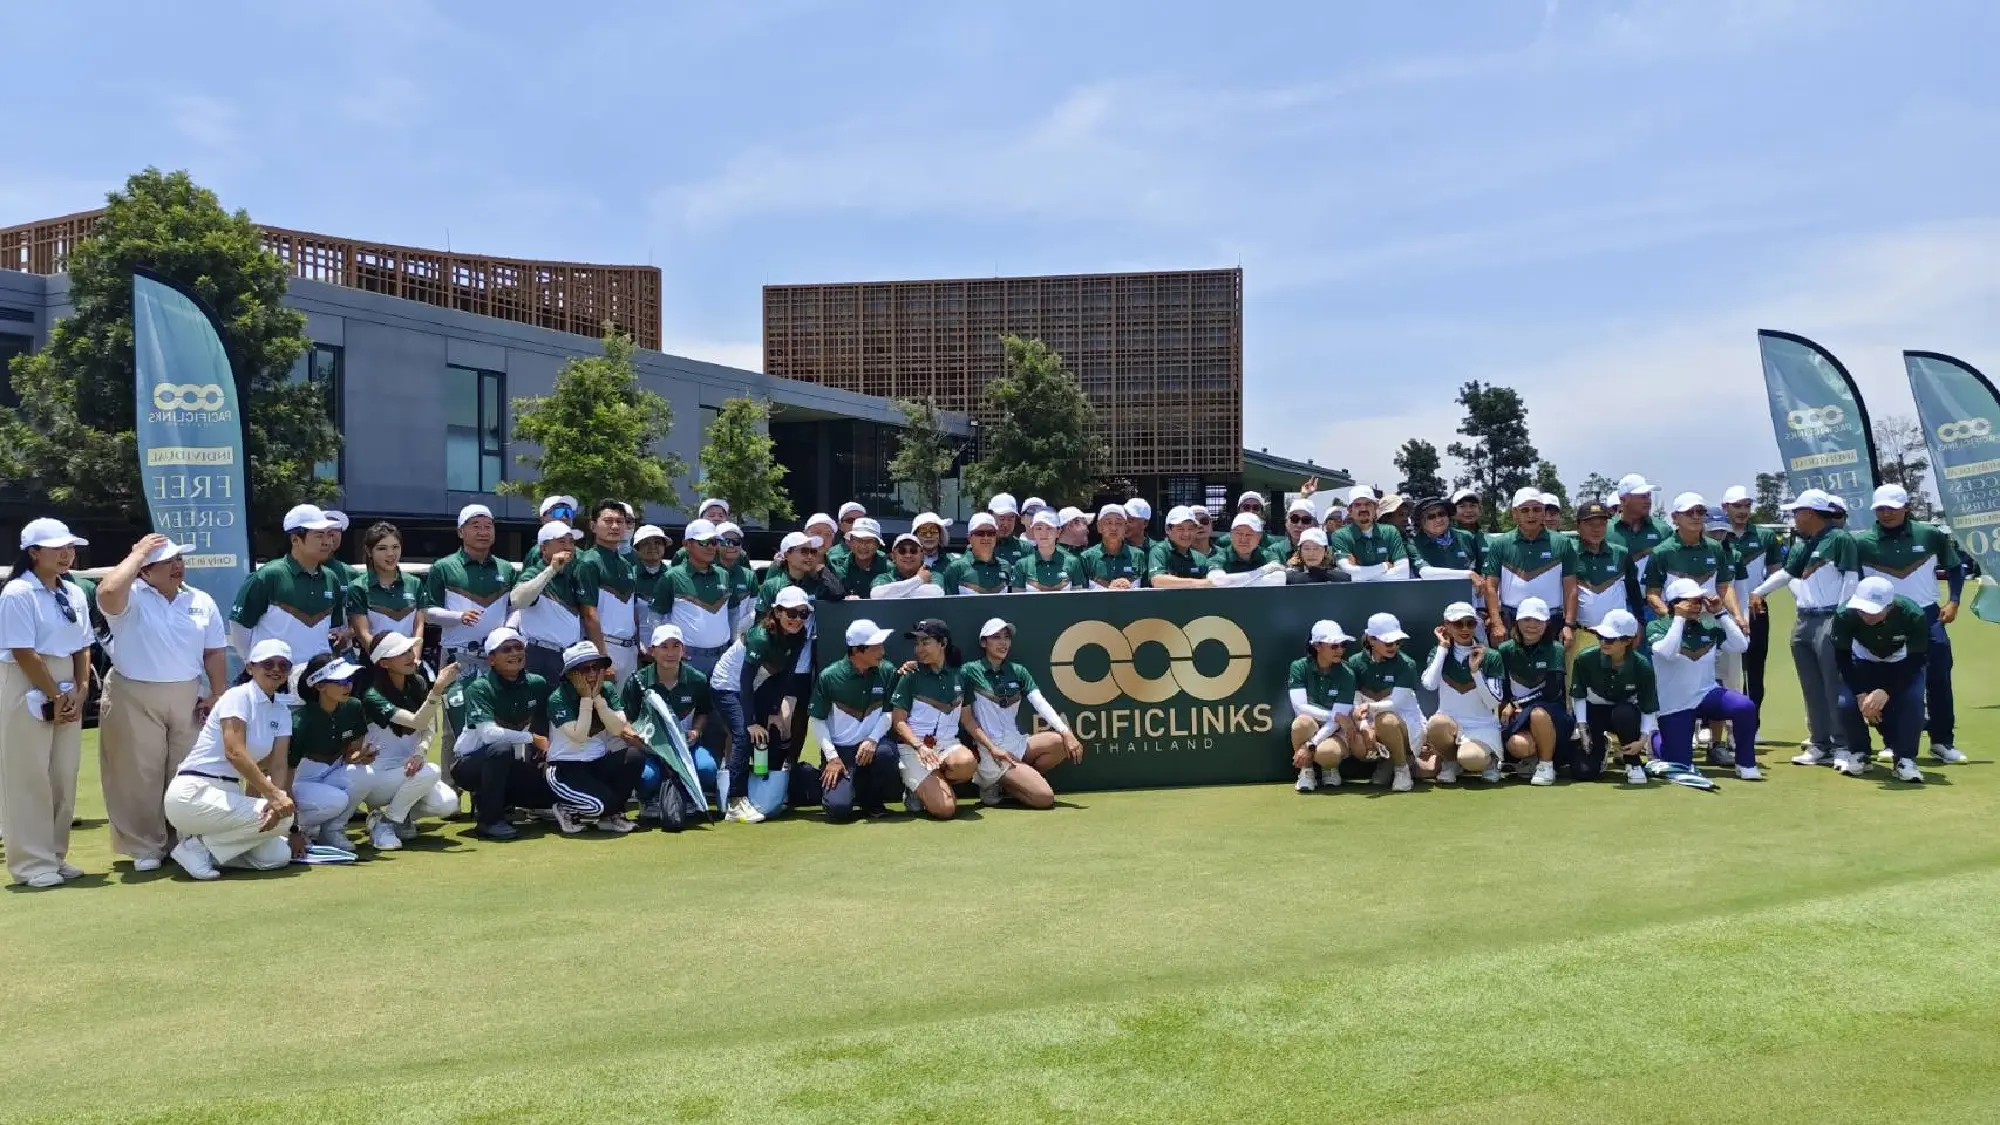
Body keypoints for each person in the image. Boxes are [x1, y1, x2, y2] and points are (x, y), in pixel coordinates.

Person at [93, 533, 228, 871]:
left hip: (187, 693)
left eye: (178, 560)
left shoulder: (200, 599)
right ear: (145, 570)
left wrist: (218, 692)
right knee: (138, 773)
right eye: (167, 562)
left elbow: (213, 651)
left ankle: (187, 840)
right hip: (133, 692)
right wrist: (137, 552)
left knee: (186, 769)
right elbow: (107, 593)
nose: (177, 566)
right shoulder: (129, 596)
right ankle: (145, 846)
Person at [1, 518, 95, 887]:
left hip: (67, 684)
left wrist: (82, 688)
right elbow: (24, 652)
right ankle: (30, 863)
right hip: (28, 681)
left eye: (69, 547)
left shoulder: (72, 592)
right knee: (28, 776)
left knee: (62, 774)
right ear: (33, 553)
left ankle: (55, 855)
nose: (66, 554)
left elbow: (82, 644)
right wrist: (56, 695)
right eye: (57, 548)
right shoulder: (17, 594)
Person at [161, 639, 298, 880]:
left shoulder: (282, 711)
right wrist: (274, 797)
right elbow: (234, 752)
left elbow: (278, 764)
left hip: (228, 798)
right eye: (268, 663)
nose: (276, 669)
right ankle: (196, 848)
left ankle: (206, 848)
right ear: (250, 667)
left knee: (276, 856)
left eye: (283, 665)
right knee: (285, 819)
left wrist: (275, 799)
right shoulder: (237, 696)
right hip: (193, 795)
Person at [1750, 489, 1861, 768]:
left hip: (1830, 617)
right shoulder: (1803, 544)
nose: (1794, 518)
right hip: (1804, 619)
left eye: (1797, 512)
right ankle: (1819, 743)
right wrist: (1759, 592)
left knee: (1832, 683)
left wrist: (1843, 614)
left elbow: (1850, 579)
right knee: (1811, 684)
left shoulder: (1840, 539)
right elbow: (1787, 574)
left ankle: (1842, 745)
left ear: (1810, 513)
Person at [1856, 483, 1964, 763]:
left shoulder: (1930, 534)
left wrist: (1953, 600)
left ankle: (1942, 741)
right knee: (1888, 681)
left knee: (1939, 678)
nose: (1886, 513)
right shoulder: (1863, 542)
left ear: (1906, 507)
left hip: (1928, 616)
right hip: (1883, 620)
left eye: (1892, 508)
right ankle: (1893, 741)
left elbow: (1954, 567)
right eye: (1881, 508)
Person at [711, 586, 814, 822]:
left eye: (803, 614)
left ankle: (768, 796)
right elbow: (744, 682)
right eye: (791, 613)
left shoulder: (800, 635)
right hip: (727, 685)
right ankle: (735, 801)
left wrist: (775, 711)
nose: (797, 619)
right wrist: (751, 722)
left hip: (759, 684)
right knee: (744, 735)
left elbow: (784, 676)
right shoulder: (759, 636)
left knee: (773, 732)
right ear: (777, 612)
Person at [445, 628, 558, 841]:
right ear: (491, 659)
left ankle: (505, 804)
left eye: (519, 647)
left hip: (509, 764)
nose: (515, 653)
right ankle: (489, 821)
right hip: (469, 765)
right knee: (500, 749)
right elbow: (489, 735)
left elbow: (544, 723)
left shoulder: (537, 683)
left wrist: (545, 755)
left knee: (550, 795)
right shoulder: (479, 687)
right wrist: (532, 739)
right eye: (506, 649)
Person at [353, 632, 461, 849]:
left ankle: (396, 817)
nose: (410, 656)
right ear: (384, 663)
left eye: (410, 650)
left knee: (448, 803)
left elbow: (429, 727)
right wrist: (438, 689)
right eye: (401, 653)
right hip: (377, 780)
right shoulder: (372, 696)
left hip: (410, 771)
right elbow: (418, 722)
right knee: (430, 771)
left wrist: (420, 752)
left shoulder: (418, 682)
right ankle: (386, 822)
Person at [958, 618, 1082, 807]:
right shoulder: (969, 671)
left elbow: (1040, 703)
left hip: (1019, 744)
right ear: (983, 642)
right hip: (993, 752)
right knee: (1045, 798)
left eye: (1007, 637)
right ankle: (993, 781)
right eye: (996, 637)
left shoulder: (1018, 671)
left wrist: (1067, 733)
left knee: (1060, 742)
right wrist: (993, 749)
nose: (1003, 642)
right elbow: (967, 721)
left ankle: (1012, 783)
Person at [1647, 578, 1757, 779]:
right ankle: (1655, 739)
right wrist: (1679, 618)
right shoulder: (1656, 626)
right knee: (1678, 764)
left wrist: (1721, 613)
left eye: (1699, 601)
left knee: (1745, 707)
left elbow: (1741, 646)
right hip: (1674, 703)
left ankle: (1746, 763)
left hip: (1707, 694)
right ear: (1675, 603)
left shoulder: (1708, 626)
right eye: (1691, 601)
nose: (1697, 606)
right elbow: (1668, 652)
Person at [1831, 576, 1931, 783]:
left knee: (1912, 702)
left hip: (1902, 665)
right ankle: (1859, 752)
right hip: (1862, 663)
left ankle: (1905, 758)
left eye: (1873, 611)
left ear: (1890, 606)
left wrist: (1886, 691)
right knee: (1845, 704)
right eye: (1862, 610)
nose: (1866, 615)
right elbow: (1841, 655)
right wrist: (1860, 694)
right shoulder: (1844, 614)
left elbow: (1917, 658)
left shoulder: (1913, 615)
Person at [230, 504, 348, 675]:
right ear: (295, 539)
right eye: (319, 535)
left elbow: (333, 630)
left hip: (319, 680)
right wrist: (256, 664)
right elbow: (239, 624)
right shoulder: (269, 575)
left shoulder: (331, 578)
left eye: (329, 535)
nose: (327, 542)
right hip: (275, 679)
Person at [543, 640, 646, 833]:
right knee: (600, 806)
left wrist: (598, 698)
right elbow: (579, 735)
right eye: (584, 669)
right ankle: (566, 807)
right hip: (565, 767)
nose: (592, 674)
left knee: (634, 756)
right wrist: (586, 698)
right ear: (570, 674)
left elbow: (617, 728)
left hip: (597, 762)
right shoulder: (558, 698)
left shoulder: (607, 690)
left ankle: (610, 817)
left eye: (596, 667)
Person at [806, 619, 901, 821]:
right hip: (839, 753)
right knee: (838, 810)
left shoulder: (886, 670)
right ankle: (836, 785)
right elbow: (817, 720)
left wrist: (873, 739)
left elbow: (888, 712)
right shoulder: (829, 676)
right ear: (857, 651)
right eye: (876, 647)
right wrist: (832, 757)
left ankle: (870, 800)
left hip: (869, 748)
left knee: (887, 753)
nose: (882, 651)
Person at [623, 624, 716, 830]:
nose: (670, 652)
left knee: (708, 768)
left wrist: (696, 731)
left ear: (684, 650)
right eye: (663, 646)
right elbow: (626, 723)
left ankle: (686, 795)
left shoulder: (697, 679)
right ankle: (648, 799)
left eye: (676, 646)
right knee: (645, 776)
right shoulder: (637, 681)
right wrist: (645, 745)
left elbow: (703, 711)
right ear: (652, 650)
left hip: (684, 746)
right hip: (650, 747)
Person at [889, 619, 978, 819]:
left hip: (948, 746)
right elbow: (898, 721)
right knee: (946, 810)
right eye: (916, 643)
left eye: (925, 642)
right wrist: (919, 747)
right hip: (914, 749)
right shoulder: (910, 675)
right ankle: (916, 788)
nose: (919, 649)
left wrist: (991, 748)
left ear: (943, 643)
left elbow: (968, 720)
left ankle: (928, 786)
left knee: (967, 763)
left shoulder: (960, 675)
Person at [420, 503, 516, 683]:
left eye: (488, 526)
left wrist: (508, 629)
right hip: (457, 654)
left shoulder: (506, 568)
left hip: (498, 655)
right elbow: (427, 613)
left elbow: (516, 608)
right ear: (460, 532)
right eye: (476, 526)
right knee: (455, 708)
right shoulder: (443, 567)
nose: (483, 532)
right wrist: (459, 616)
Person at [287, 653, 371, 848]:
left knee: (365, 775)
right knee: (336, 801)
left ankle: (332, 831)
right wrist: (293, 828)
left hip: (330, 774)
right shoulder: (299, 722)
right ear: (319, 686)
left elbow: (351, 755)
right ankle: (297, 830)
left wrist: (362, 757)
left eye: (349, 680)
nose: (347, 686)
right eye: (340, 681)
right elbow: (285, 774)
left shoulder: (353, 707)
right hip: (297, 782)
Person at [1417, 603, 1505, 785]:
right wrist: (1442, 648)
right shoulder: (1439, 653)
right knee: (1435, 723)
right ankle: (1451, 762)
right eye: (1458, 624)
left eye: (1470, 623)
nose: (1465, 629)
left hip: (1481, 726)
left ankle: (1490, 762)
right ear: (1446, 626)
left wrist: (1476, 672)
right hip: (1450, 724)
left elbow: (1493, 702)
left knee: (1471, 759)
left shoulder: (1491, 656)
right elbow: (1429, 685)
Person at [1482, 487, 1580, 647]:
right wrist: (1496, 622)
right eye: (1525, 510)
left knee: (1551, 671)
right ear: (1514, 514)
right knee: (1511, 671)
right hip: (1511, 620)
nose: (1531, 514)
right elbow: (1490, 587)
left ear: (1543, 512)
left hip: (1551, 620)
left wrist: (1569, 625)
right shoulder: (1500, 544)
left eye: (1537, 509)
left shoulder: (1562, 542)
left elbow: (1571, 588)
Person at [1569, 609, 1659, 784]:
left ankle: (1632, 762)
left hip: (1624, 714)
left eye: (1609, 639)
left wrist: (1642, 740)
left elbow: (1648, 706)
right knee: (1583, 772)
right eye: (1600, 636)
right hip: (1592, 712)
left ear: (1627, 641)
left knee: (1624, 713)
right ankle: (1600, 747)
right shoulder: (1584, 659)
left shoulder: (1642, 666)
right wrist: (1582, 730)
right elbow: (1578, 696)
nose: (1603, 642)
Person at [1492, 597, 1573, 786]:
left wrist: (1518, 705)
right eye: (1526, 620)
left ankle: (1546, 765)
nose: (1532, 625)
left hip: (1552, 714)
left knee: (1538, 714)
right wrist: (1510, 705)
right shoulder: (1505, 650)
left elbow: (1552, 691)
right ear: (1517, 622)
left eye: (1538, 621)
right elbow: (1501, 690)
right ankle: (1533, 758)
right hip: (1518, 714)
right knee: (1518, 746)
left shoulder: (1555, 649)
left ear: (1547, 623)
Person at [1717, 484, 1783, 713]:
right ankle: (1710, 722)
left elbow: (1776, 573)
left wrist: (1760, 594)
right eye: (1737, 506)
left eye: (1747, 505)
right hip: (1720, 610)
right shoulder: (1717, 535)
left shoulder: (1765, 536)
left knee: (1754, 667)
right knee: (1717, 665)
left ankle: (1751, 722)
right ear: (1725, 507)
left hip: (1756, 609)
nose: (1743, 511)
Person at [650, 519, 740, 676]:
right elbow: (656, 615)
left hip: (723, 656)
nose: (711, 547)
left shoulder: (724, 574)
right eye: (704, 542)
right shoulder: (672, 576)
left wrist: (732, 645)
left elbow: (733, 612)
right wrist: (667, 649)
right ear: (687, 544)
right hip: (688, 658)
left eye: (714, 542)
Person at [1346, 613, 1423, 792]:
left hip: (1406, 723)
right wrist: (1364, 725)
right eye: (1389, 642)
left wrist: (1369, 707)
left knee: (1386, 720)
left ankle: (1402, 768)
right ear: (1372, 640)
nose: (1394, 647)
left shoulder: (1406, 664)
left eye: (1398, 643)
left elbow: (1395, 703)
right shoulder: (1355, 662)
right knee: (1359, 745)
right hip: (1370, 720)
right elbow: (1355, 697)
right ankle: (1390, 761)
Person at [569, 500, 641, 687]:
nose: (615, 526)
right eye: (608, 521)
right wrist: (603, 657)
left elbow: (632, 611)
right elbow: (589, 614)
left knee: (626, 710)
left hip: (630, 648)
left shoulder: (627, 564)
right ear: (593, 526)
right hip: (605, 647)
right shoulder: (589, 562)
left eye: (620, 521)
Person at [1288, 619, 1359, 792]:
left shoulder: (1347, 674)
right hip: (1312, 724)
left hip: (1334, 731)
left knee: (1327, 755)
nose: (1340, 650)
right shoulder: (1299, 667)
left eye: (1342, 645)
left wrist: (1310, 745)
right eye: (1333, 646)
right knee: (1301, 722)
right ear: (1317, 646)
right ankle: (1306, 771)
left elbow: (1337, 723)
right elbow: (1300, 707)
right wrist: (1334, 716)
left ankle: (1329, 769)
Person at [1568, 500, 1640, 667]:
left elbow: (1633, 592)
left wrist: (1639, 623)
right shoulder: (1569, 552)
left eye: (1602, 523)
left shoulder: (1621, 554)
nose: (1596, 528)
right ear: (1577, 525)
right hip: (1582, 634)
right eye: (1590, 523)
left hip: (1619, 638)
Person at [510, 520, 584, 682]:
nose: (568, 547)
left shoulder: (571, 576)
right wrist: (551, 570)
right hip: (540, 654)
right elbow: (517, 600)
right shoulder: (535, 572)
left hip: (568, 656)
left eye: (571, 542)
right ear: (544, 548)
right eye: (561, 542)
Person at [346, 522, 424, 662]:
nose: (391, 554)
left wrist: (414, 660)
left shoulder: (415, 583)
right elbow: (364, 634)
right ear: (369, 551)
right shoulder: (357, 588)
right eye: (382, 548)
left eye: (395, 547)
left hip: (410, 663)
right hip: (376, 665)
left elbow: (418, 628)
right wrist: (390, 662)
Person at [1608, 475, 1671, 605]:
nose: (1648, 501)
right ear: (1623, 499)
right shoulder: (1606, 530)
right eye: (1642, 496)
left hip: (1655, 605)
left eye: (1649, 495)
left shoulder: (1663, 530)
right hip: (1616, 606)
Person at [1331, 487, 1411, 581]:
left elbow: (1404, 572)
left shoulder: (1390, 531)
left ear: (1375, 507)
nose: (1363, 509)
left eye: (1368, 504)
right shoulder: (1340, 535)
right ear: (1350, 510)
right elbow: (1348, 574)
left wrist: (1361, 575)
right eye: (1357, 505)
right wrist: (1384, 567)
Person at [1406, 497, 1480, 581]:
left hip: (1464, 592)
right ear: (1420, 522)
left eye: (1442, 514)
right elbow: (1425, 572)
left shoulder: (1466, 537)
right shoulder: (1413, 544)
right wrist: (1467, 574)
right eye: (1431, 517)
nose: (1438, 519)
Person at [938, 513, 1014, 594]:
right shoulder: (956, 568)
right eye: (980, 533)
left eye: (991, 533)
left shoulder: (1006, 566)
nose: (986, 538)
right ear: (969, 538)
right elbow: (949, 604)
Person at [1014, 510, 1087, 591]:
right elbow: (1017, 602)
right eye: (1039, 528)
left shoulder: (1073, 563)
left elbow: (1078, 599)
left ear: (1058, 532)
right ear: (1033, 532)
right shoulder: (1022, 565)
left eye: (1049, 528)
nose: (1044, 533)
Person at [631, 524, 675, 655]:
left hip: (671, 647)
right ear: (637, 548)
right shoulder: (629, 576)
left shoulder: (674, 575)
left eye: (657, 542)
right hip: (638, 648)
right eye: (645, 543)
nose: (653, 547)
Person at [1079, 504, 1146, 589]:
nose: (1113, 528)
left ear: (1125, 527)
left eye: (1118, 523)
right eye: (1108, 523)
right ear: (1099, 526)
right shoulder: (1087, 557)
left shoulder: (1138, 555)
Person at [1146, 506, 1211, 588]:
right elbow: (1157, 581)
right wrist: (1199, 583)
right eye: (1180, 529)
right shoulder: (1159, 551)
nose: (1186, 534)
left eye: (1191, 528)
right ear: (1168, 529)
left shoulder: (1200, 557)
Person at [1208, 513, 1283, 583]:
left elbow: (1278, 577)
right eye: (1239, 533)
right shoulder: (1218, 556)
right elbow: (1217, 580)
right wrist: (1260, 572)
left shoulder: (1268, 555)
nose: (1243, 539)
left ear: (1259, 536)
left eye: (1249, 534)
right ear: (1231, 535)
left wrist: (1231, 580)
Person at [828, 517, 890, 596]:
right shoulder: (836, 565)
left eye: (869, 541)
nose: (863, 546)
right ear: (850, 542)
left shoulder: (888, 568)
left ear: (878, 545)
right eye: (858, 540)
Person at [872, 533, 942, 600]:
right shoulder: (883, 577)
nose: (908, 555)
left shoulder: (934, 575)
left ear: (922, 555)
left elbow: (935, 593)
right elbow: (877, 595)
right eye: (902, 551)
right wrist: (919, 580)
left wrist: (893, 592)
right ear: (893, 556)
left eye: (913, 551)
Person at [527, 494, 580, 567]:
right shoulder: (536, 553)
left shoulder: (581, 554)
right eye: (558, 512)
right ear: (543, 519)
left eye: (568, 513)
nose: (564, 517)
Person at [1283, 528, 1348, 584]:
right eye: (1306, 549)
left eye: (1316, 549)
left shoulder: (1341, 577)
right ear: (1300, 551)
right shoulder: (1288, 577)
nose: (1311, 554)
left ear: (1326, 551)